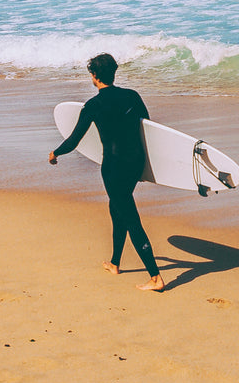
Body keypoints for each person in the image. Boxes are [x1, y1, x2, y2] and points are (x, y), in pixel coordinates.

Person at [48, 53, 165, 292]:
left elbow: (74, 140)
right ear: (113, 73)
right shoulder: (132, 96)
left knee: (131, 218)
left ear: (94, 76)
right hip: (134, 163)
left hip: (113, 167)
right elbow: (148, 126)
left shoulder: (93, 105)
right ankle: (115, 263)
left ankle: (155, 277)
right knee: (117, 208)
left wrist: (55, 153)